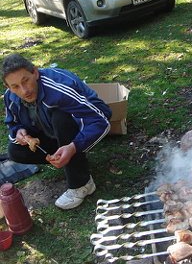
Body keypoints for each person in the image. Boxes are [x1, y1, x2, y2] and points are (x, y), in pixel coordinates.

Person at [1, 54, 112, 209]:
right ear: (8, 87)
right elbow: (12, 123)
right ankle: (62, 158)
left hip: (83, 125)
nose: (24, 91)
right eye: (15, 86)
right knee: (15, 151)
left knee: (61, 118)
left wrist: (73, 146)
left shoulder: (58, 88)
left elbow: (102, 119)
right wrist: (19, 131)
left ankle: (82, 184)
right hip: (49, 131)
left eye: (25, 80)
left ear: (35, 72)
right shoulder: (10, 96)